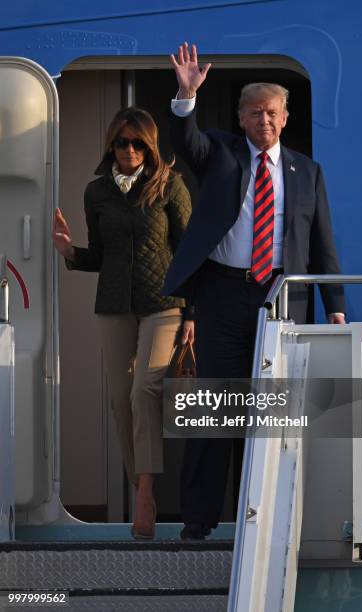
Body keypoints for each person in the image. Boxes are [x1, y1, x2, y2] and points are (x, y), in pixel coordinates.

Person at [164, 43, 346, 540]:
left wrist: (336, 309)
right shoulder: (218, 152)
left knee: (273, 413)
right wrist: (186, 96)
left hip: (282, 299)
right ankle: (198, 521)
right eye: (253, 112)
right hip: (223, 296)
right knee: (217, 406)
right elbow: (186, 140)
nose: (263, 119)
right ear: (241, 118)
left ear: (285, 119)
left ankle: (266, 517)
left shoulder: (307, 172)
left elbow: (322, 243)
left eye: (271, 112)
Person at [52, 107, 193, 539]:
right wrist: (70, 251)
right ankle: (142, 481)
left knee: (143, 389)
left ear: (149, 147)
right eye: (121, 142)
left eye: (136, 143)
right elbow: (100, 255)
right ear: (111, 146)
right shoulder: (96, 193)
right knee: (119, 400)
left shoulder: (171, 186)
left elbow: (189, 252)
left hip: (164, 304)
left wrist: (193, 314)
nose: (128, 150)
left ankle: (145, 494)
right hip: (114, 304)